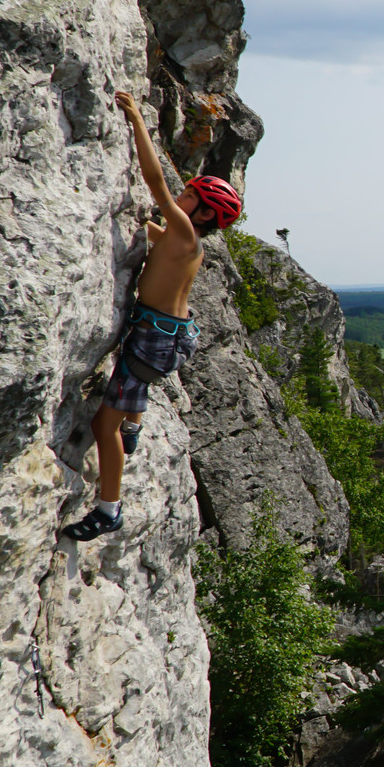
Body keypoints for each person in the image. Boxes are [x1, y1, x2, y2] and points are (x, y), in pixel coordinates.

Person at [63, 91, 243, 541]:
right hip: (170, 336)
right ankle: (135, 428)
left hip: (153, 339)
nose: (180, 197)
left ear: (201, 212)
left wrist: (139, 122)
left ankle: (109, 509)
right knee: (129, 403)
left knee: (105, 424)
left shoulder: (184, 232)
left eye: (190, 195)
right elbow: (153, 233)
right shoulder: (187, 242)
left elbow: (154, 180)